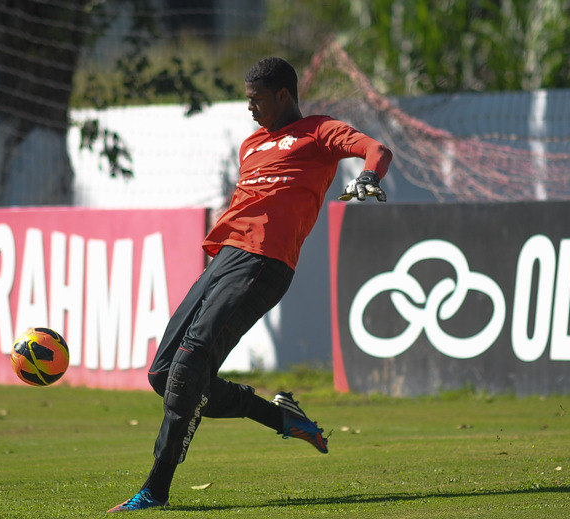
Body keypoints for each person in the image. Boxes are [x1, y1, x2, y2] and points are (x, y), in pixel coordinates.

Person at [108, 57, 392, 513]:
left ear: (283, 95)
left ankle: (154, 490)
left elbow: (377, 149)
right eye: (247, 100)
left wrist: (367, 177)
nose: (251, 108)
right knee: (164, 375)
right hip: (225, 261)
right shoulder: (252, 144)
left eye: (257, 99)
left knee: (191, 362)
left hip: (266, 262)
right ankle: (279, 416)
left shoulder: (319, 131)